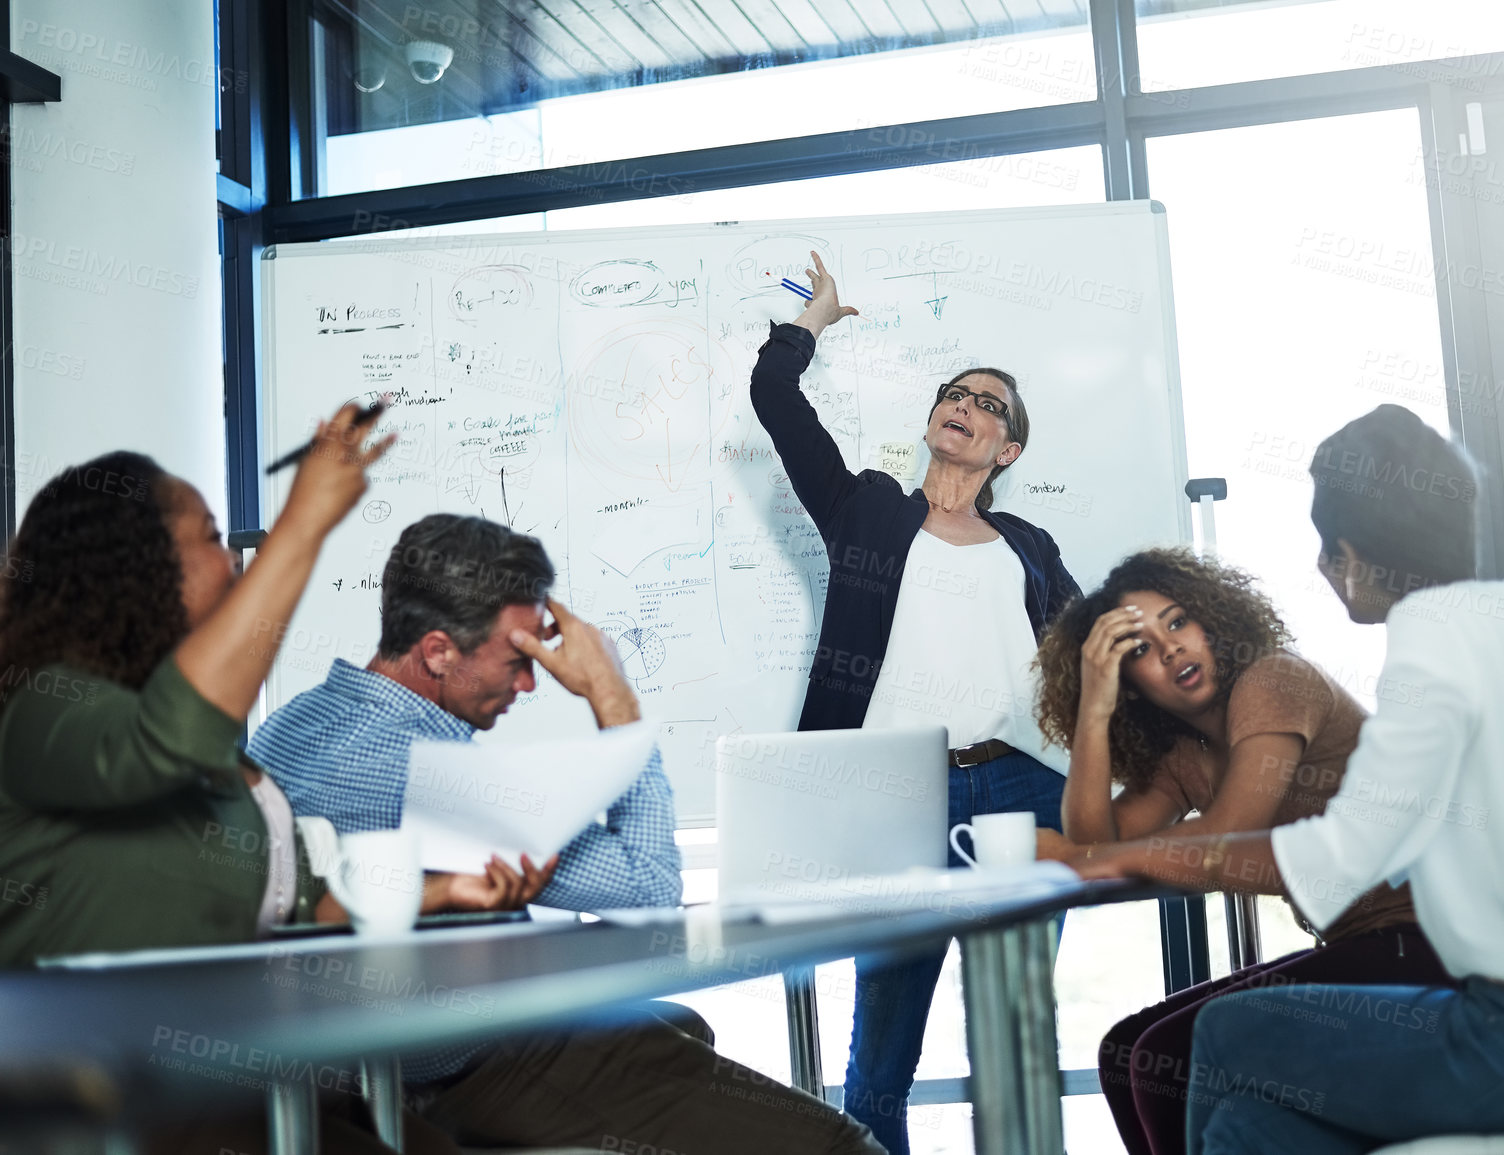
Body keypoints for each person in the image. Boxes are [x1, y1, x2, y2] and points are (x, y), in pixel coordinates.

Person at [1074, 405, 1504, 1154]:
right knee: (1252, 1125)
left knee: (1225, 1029)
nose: (1321, 569)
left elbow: (1343, 854)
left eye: (1324, 550)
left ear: (1353, 555)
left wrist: (1126, 857)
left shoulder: (1432, 639)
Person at [248, 511, 884, 1155]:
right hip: (473, 1064)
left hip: (360, 1062)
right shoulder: (431, 775)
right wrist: (612, 695)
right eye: (516, 658)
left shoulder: (294, 724)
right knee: (842, 1146)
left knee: (681, 1026)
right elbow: (650, 892)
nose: (530, 683)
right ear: (437, 651)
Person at [0, 410, 517, 1155]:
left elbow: (297, 902)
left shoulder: (213, 753)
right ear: (134, 568)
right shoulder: (42, 710)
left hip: (243, 1087)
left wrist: (445, 891)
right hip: (99, 1109)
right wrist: (305, 518)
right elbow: (166, 738)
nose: (234, 559)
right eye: (212, 536)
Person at [751, 251, 1078, 1154]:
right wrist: (809, 320)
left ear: (1006, 449)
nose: (964, 407)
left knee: (1014, 1034)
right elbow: (776, 399)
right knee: (881, 1051)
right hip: (894, 797)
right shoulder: (868, 509)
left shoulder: (1029, 542)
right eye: (955, 393)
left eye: (988, 405)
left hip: (1022, 794)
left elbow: (1090, 658)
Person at [1032, 547, 1452, 1155]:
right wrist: (1094, 710)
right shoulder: (1182, 756)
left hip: (1433, 934)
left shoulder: (1274, 680)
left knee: (1158, 1058)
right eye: (1141, 649)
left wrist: (1085, 858)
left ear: (1213, 622)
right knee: (1126, 1053)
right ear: (1130, 682)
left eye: (1177, 622)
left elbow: (1232, 832)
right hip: (1364, 942)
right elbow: (1095, 844)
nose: (1171, 648)